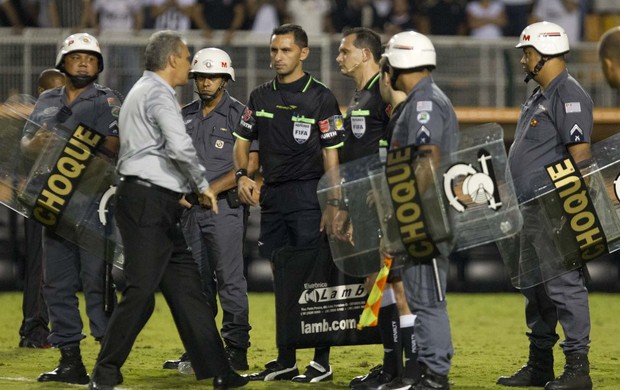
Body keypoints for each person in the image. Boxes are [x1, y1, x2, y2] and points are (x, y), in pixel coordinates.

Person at [87, 30, 248, 390]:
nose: (191, 64)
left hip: (152, 201)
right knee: (140, 291)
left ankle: (220, 371)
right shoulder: (159, 94)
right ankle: (105, 373)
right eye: (188, 55)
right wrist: (200, 185)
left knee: (188, 290)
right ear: (173, 59)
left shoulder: (139, 91)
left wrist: (174, 187)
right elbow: (179, 146)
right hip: (148, 202)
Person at [233, 23, 342, 383]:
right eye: (274, 51)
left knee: (315, 280)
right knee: (282, 278)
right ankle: (286, 359)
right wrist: (242, 176)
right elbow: (242, 143)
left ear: (303, 53)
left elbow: (332, 157)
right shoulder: (259, 95)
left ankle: (321, 362)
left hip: (310, 195)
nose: (278, 57)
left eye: (286, 51)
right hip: (274, 196)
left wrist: (333, 202)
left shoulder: (321, 97)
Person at [20, 33, 121, 385]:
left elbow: (113, 144)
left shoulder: (107, 100)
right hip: (53, 202)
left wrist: (70, 149)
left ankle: (107, 364)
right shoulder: (47, 98)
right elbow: (27, 143)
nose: (83, 63)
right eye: (76, 57)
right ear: (63, 62)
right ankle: (70, 362)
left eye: (90, 58)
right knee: (57, 285)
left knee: (97, 282)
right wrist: (36, 143)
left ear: (99, 66)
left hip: (92, 204)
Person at [497, 21, 593, 390]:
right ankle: (540, 366)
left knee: (564, 286)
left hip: (555, 209)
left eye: (527, 53)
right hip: (531, 210)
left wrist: (569, 213)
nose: (523, 60)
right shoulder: (540, 95)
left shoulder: (568, 94)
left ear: (545, 53)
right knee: (535, 289)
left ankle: (577, 370)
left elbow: (582, 159)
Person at [161, 47, 255, 373]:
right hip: (188, 212)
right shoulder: (182, 114)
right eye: (200, 76)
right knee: (195, 284)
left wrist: (210, 189)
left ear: (225, 80)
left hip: (224, 210)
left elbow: (250, 164)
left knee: (229, 280)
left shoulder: (241, 116)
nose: (205, 82)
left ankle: (236, 349)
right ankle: (200, 350)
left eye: (212, 76)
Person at [382, 30, 459, 390]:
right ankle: (431, 372)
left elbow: (428, 160)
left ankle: (435, 375)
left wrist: (405, 210)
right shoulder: (421, 100)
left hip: (424, 218)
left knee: (427, 298)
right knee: (421, 295)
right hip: (421, 216)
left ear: (399, 61)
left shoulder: (425, 103)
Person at [18, 68, 65, 350]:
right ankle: (32, 330)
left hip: (65, 197)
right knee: (40, 266)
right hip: (39, 197)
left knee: (57, 268)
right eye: (53, 90)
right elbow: (21, 151)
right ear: (41, 93)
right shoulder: (36, 120)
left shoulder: (67, 115)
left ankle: (52, 330)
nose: (59, 95)